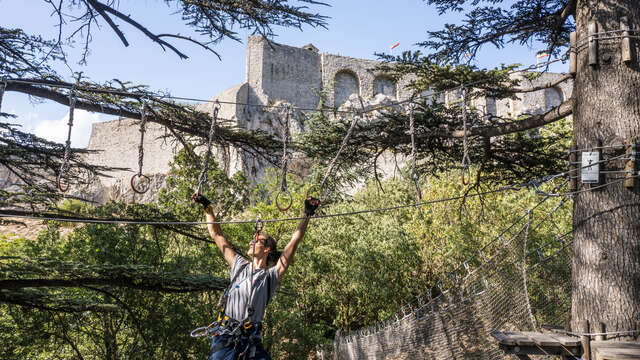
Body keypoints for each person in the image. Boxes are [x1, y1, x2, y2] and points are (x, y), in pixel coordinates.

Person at [193, 193, 321, 360]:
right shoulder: (239, 265)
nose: (250, 243)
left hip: (251, 340)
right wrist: (207, 207)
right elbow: (217, 235)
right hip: (225, 336)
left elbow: (294, 241)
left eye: (256, 241)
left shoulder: (271, 277)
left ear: (267, 249)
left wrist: (307, 214)